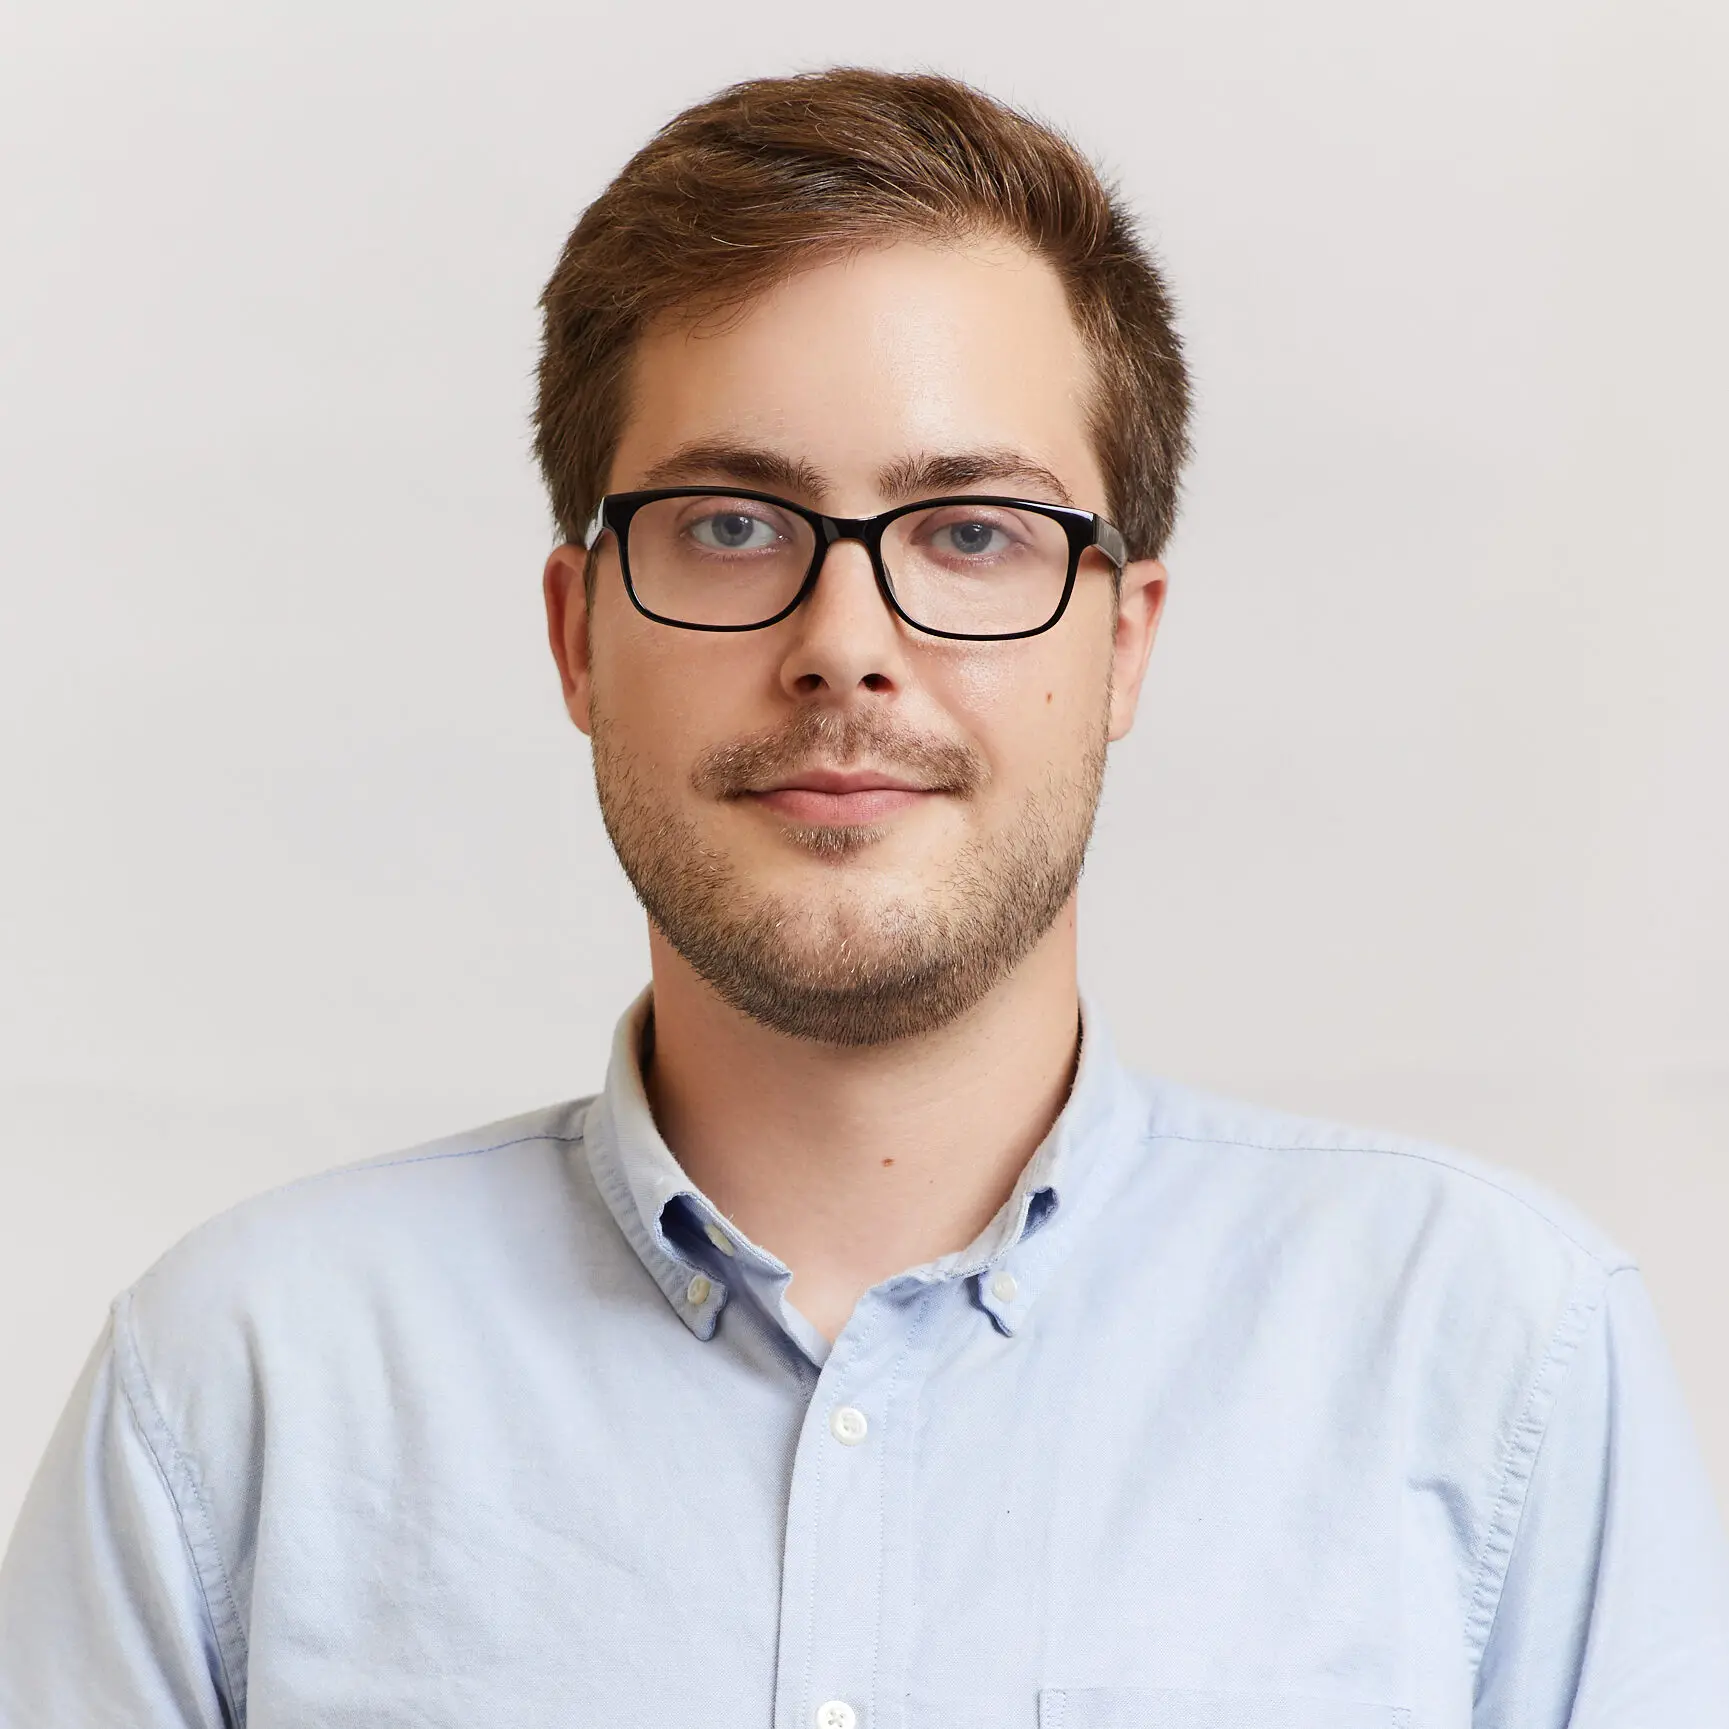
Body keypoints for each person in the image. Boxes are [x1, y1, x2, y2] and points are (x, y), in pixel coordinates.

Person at [2, 65, 1725, 1729]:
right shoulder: (235, 1391)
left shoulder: (1498, 1356)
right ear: (577, 637)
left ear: (1122, 642)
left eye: (970, 533)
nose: (844, 646)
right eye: (730, 525)